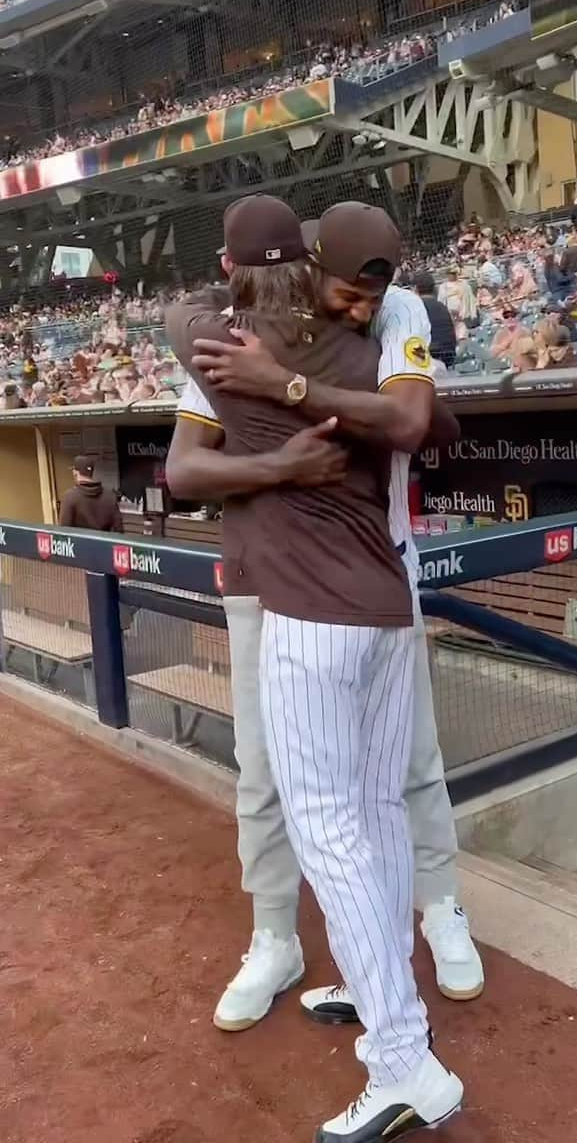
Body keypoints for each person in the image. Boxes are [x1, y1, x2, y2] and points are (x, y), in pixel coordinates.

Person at [165, 197, 466, 1141]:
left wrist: (272, 378)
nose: (361, 299)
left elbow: (178, 323)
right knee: (372, 816)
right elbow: (431, 428)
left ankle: (403, 1058)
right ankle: (377, 983)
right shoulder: (368, 351)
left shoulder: (223, 340)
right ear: (307, 262)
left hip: (308, 618)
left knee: (327, 828)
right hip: (381, 607)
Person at [59, 455, 124, 531]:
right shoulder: (110, 495)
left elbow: (64, 532)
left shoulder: (69, 497)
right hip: (104, 542)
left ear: (75, 473)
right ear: (91, 472)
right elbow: (119, 529)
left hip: (80, 543)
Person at [412, 270, 456, 368]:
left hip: (424, 361)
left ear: (415, 289)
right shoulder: (443, 308)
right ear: (434, 289)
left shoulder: (414, 308)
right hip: (448, 359)